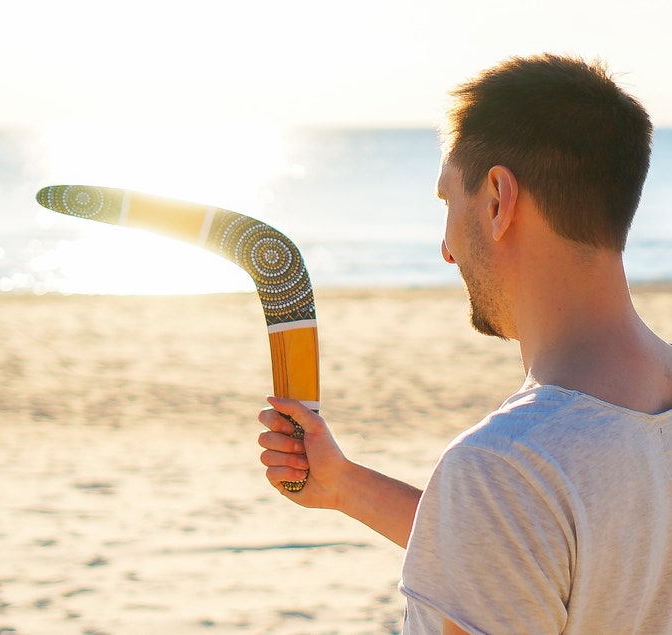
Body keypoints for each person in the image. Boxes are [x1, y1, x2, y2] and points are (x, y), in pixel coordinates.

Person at [257, 54, 672, 634]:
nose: (447, 249)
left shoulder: (508, 467)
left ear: (499, 200)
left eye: (449, 201)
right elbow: (528, 553)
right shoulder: (525, 476)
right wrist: (345, 486)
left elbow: (516, 521)